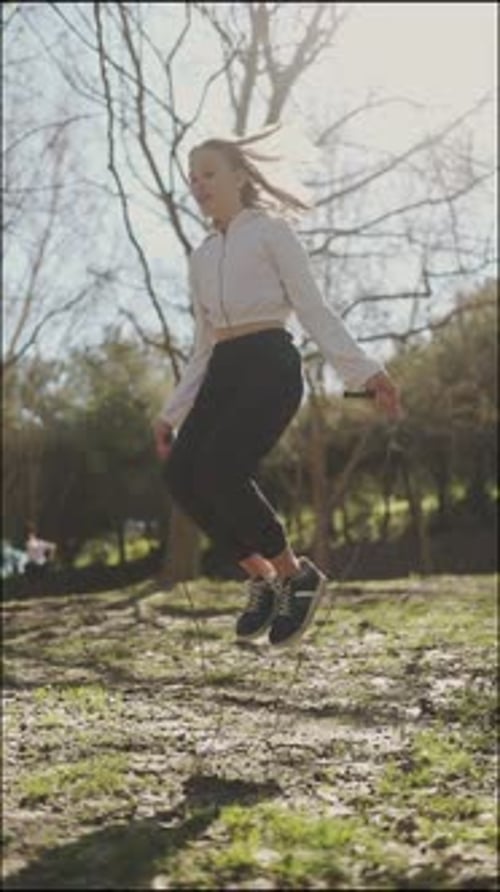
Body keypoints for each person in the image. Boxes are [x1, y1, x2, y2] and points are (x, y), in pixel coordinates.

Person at [154, 127, 402, 648]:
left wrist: (364, 372)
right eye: (192, 177)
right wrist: (171, 413)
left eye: (209, 173)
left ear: (240, 177)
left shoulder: (271, 231)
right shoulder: (201, 256)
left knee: (221, 466)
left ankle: (297, 575)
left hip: (270, 363)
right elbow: (203, 343)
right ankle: (262, 578)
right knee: (182, 473)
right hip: (223, 367)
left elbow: (313, 308)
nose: (198, 184)